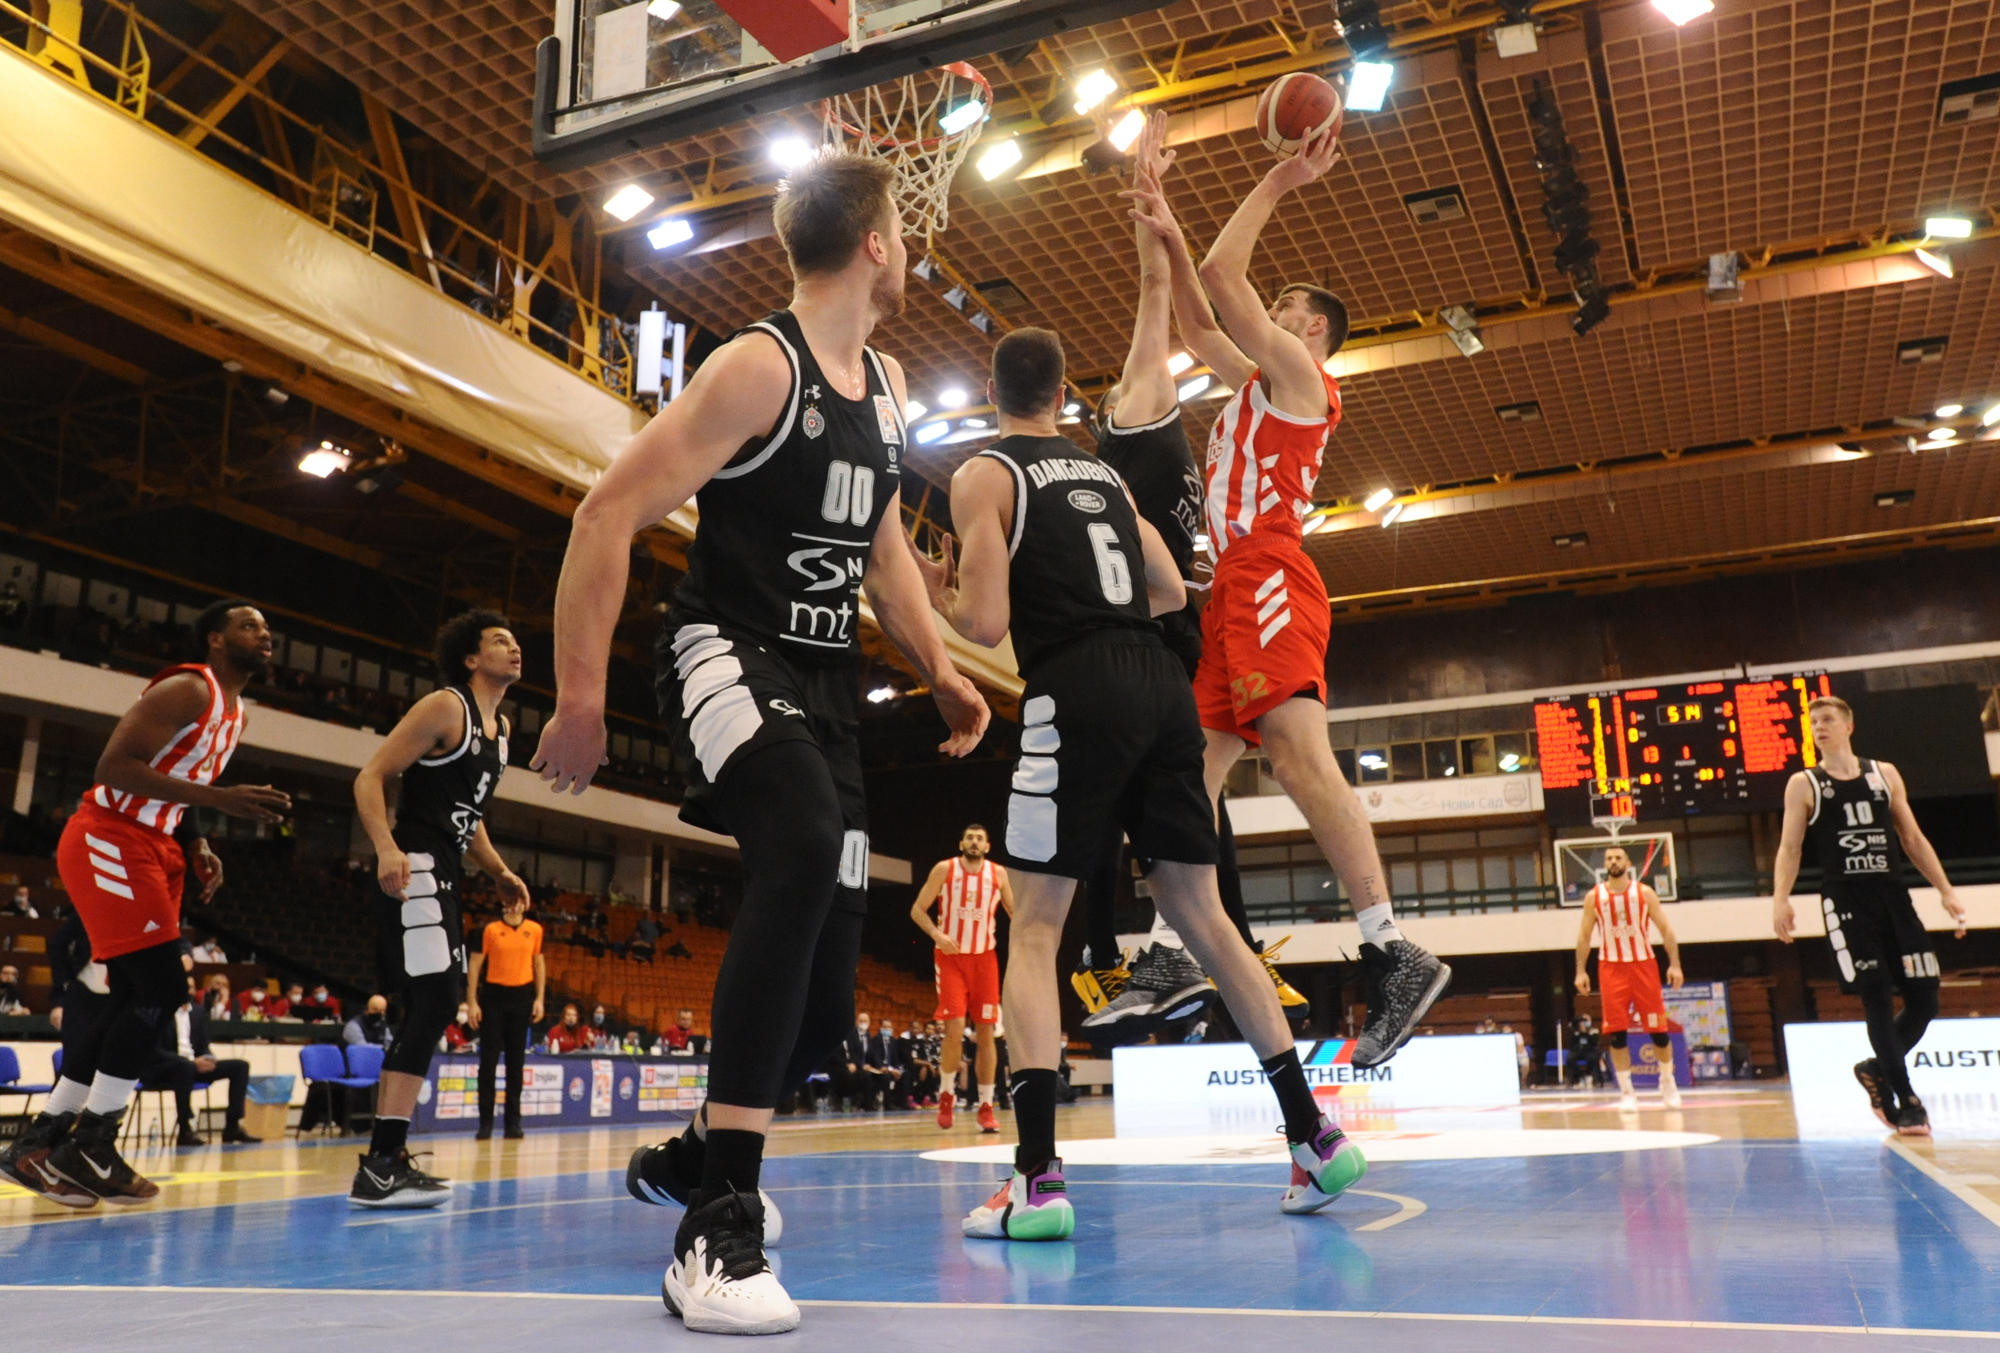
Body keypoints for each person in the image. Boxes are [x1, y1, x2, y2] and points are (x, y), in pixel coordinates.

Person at [534, 148, 989, 1335]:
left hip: (827, 688)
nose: (910, 249)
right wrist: (579, 698)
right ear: (876, 243)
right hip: (727, 650)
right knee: (795, 842)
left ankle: (696, 1152)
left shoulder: (887, 384)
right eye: (905, 231)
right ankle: (716, 1225)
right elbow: (605, 512)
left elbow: (880, 548)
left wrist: (941, 670)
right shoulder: (756, 367)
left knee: (825, 1017)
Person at [912, 327, 1369, 1243]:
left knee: (1034, 928)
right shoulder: (1107, 477)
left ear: (994, 396)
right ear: (1064, 396)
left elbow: (987, 622)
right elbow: (1167, 587)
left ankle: (1037, 1180)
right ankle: (1313, 1134)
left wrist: (936, 590)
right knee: (1207, 919)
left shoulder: (984, 474)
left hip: (1074, 685)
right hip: (1162, 686)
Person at [1125, 123, 1449, 1065]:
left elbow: (1224, 280)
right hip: (1231, 584)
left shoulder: (1304, 377)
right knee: (1190, 772)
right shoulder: (1254, 386)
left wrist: (1281, 177)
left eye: (1285, 305)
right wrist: (1161, 220)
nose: (1270, 307)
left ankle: (1391, 948)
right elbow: (1199, 323)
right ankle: (1168, 950)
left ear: (1309, 333)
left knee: (1300, 758)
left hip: (1271, 571)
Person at [1074, 113, 1308, 1039]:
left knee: (1161, 796)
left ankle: (1152, 954)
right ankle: (1180, 953)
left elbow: (1178, 305)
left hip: (1185, 625)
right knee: (1182, 795)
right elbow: (1178, 309)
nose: (1143, 375)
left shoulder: (1165, 409)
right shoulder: (1148, 413)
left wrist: (1155, 205)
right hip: (1173, 630)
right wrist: (1155, 210)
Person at [0, 600, 287, 1209]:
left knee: (135, 992)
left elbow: (180, 789)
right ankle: (92, 1141)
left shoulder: (236, 712)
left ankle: (41, 1140)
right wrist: (219, 799)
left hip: (156, 843)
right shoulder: (189, 688)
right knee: (162, 985)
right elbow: (114, 767)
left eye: (267, 628)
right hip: (109, 834)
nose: (265, 635)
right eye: (249, 625)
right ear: (215, 639)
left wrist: (199, 840)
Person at [350, 609, 529, 1208]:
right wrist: (385, 847)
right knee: (432, 1002)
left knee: (429, 1005)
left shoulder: (501, 730)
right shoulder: (446, 707)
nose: (514, 648)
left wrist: (498, 871)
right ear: (471, 658)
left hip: (446, 867)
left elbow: (468, 818)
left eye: (515, 641)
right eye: (499, 641)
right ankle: (382, 1164)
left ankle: (384, 1160)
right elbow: (370, 776)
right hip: (416, 863)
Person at [1773, 694, 1967, 1136]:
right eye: (1813, 723)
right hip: (1846, 900)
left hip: (1893, 896)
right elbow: (1790, 847)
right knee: (1876, 994)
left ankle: (1875, 1069)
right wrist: (1780, 898)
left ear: (1848, 725)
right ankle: (1907, 1099)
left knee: (1925, 997)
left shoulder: (1884, 773)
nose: (1819, 728)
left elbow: (1912, 839)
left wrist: (1946, 891)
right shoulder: (1804, 783)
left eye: (1827, 720)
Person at [910, 824, 1013, 1131]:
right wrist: (937, 935)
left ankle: (986, 1106)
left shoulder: (998, 873)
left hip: (985, 960)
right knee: (954, 1027)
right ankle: (946, 1096)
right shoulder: (945, 869)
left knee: (986, 1033)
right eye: (970, 837)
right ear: (961, 843)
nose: (974, 842)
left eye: (980, 838)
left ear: (987, 846)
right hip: (951, 958)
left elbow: (1016, 914)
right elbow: (917, 910)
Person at [1574, 845, 1685, 1112]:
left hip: (1643, 966)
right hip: (1611, 969)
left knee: (1659, 1032)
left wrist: (1675, 965)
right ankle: (1627, 1092)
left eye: (1618, 857)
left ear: (1628, 863)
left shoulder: (1644, 893)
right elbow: (1584, 936)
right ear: (1605, 865)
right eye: (1609, 858)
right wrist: (1580, 970)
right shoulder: (1594, 897)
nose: (1613, 861)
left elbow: (1666, 929)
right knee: (1617, 1035)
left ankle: (1667, 1082)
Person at [469, 892, 545, 1140]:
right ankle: (485, 1123)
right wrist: (472, 1002)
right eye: (508, 901)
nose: (512, 905)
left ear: (524, 903)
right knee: (488, 1062)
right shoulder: (489, 930)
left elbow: (539, 964)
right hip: (493, 998)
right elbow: (475, 965)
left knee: (516, 1064)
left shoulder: (535, 930)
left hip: (522, 998)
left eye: (516, 901)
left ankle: (513, 1123)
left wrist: (539, 999)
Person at [150, 972, 257, 1146]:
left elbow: (203, 1045)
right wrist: (190, 1062)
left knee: (240, 1066)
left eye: (192, 987)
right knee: (185, 1066)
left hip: (193, 1066)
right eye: (186, 987)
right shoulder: (159, 1012)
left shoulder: (198, 1012)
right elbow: (153, 1051)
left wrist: (208, 1058)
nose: (190, 991)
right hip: (166, 1068)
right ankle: (185, 1129)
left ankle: (232, 1126)